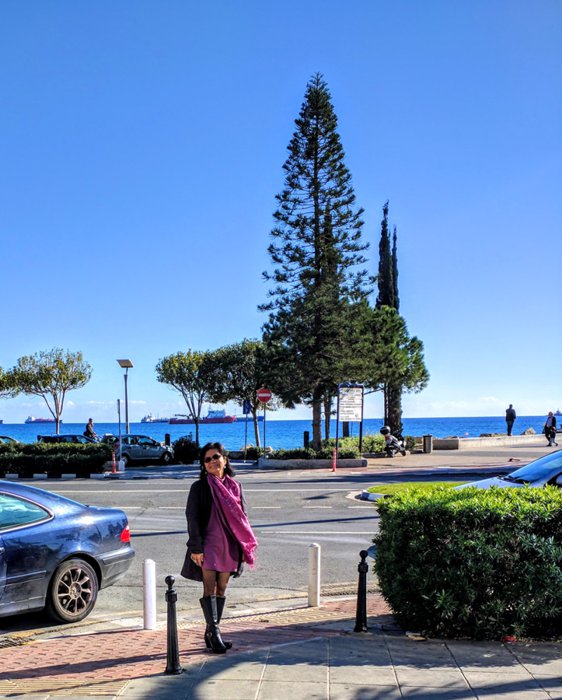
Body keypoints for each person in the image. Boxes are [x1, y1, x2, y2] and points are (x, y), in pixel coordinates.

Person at [181, 442, 258, 654]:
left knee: (222, 588)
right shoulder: (199, 487)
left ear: (224, 459)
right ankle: (215, 634)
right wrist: (196, 548)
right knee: (209, 588)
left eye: (215, 457)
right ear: (203, 465)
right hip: (208, 545)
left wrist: (244, 547)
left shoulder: (235, 487)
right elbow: (192, 519)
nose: (212, 462)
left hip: (230, 545)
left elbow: (243, 519)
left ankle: (211, 632)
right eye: (207, 459)